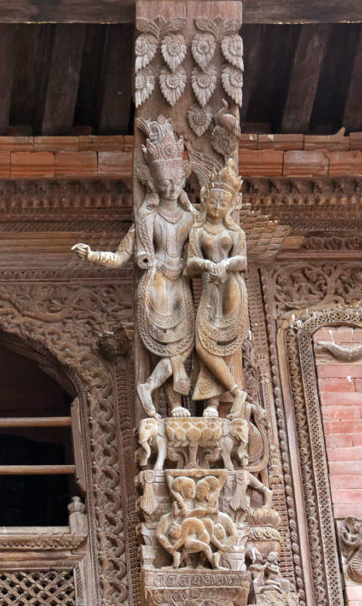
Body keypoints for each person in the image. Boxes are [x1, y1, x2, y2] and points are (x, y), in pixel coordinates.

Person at [73, 116, 194, 418]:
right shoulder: (147, 220)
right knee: (169, 347)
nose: (169, 187)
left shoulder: (191, 218)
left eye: (175, 182)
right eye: (164, 182)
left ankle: (159, 392)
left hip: (181, 285)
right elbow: (119, 257)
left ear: (182, 181)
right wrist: (91, 255)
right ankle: (172, 401)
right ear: (153, 183)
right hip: (157, 285)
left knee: (183, 346)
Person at [187, 158, 248, 418]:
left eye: (223, 203)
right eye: (212, 201)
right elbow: (189, 265)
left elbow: (243, 260)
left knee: (229, 345)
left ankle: (216, 403)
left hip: (231, 288)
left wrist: (226, 263)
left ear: (232, 205)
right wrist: (203, 263)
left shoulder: (236, 233)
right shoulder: (198, 231)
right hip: (210, 291)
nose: (216, 206)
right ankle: (233, 393)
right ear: (204, 198)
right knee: (204, 347)